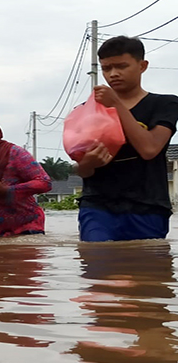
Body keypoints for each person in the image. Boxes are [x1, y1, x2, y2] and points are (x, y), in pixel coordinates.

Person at [75, 35, 178, 242]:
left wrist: (117, 105)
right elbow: (80, 168)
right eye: (106, 68)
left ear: (142, 66)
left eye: (121, 66)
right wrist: (88, 163)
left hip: (147, 206)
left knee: (145, 270)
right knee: (98, 263)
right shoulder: (86, 112)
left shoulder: (165, 104)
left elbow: (149, 149)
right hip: (97, 205)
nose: (113, 74)